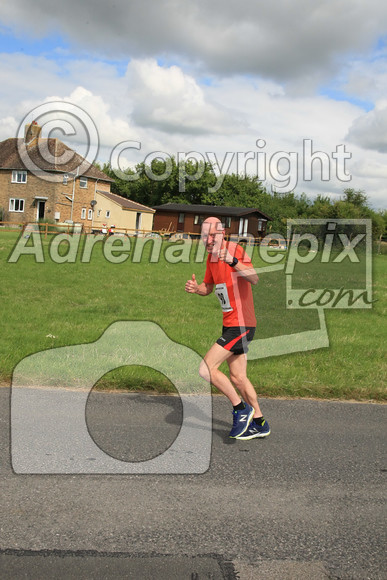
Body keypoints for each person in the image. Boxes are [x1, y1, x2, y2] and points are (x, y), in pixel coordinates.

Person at [185, 217, 270, 440]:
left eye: (213, 235)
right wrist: (197, 289)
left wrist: (232, 260)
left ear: (223, 234)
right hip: (230, 323)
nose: (209, 240)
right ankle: (260, 423)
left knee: (206, 369)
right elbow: (209, 287)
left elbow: (254, 278)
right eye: (205, 236)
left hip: (242, 323)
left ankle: (240, 409)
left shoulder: (235, 250)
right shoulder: (210, 259)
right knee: (238, 377)